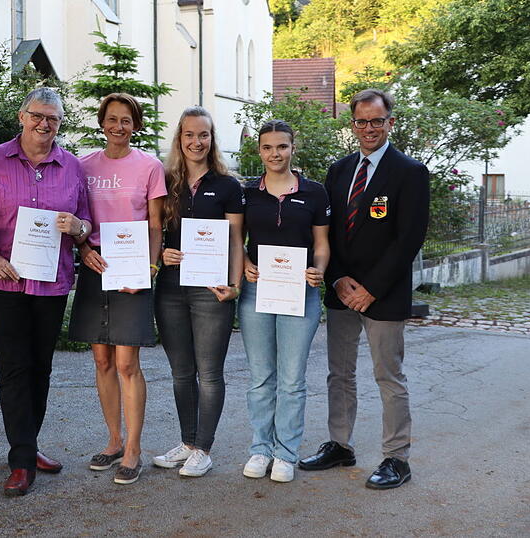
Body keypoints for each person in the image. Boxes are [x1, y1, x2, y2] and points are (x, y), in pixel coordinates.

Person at [298, 89, 429, 490]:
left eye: (377, 121)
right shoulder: (338, 172)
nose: (369, 128)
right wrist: (337, 278)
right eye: (361, 121)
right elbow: (327, 233)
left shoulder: (410, 172)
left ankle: (396, 458)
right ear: (351, 124)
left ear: (390, 122)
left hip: (383, 294)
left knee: (388, 376)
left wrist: (370, 288)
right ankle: (340, 445)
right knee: (339, 373)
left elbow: (408, 239)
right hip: (341, 289)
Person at [0, 88, 92, 496]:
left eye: (54, 119)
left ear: (61, 123)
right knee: (13, 369)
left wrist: (76, 228)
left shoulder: (72, 166)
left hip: (52, 282)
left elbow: (86, 225)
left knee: (41, 368)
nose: (45, 125)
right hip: (6, 281)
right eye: (38, 116)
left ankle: (29, 443)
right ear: (22, 117)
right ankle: (21, 460)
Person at [68, 93, 166, 485]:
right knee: (103, 361)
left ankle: (134, 449)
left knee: (127, 364)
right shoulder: (83, 165)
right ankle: (113, 441)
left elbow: (156, 225)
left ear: (135, 125)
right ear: (102, 122)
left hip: (133, 272)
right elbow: (78, 219)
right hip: (96, 268)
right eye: (112, 119)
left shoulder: (150, 166)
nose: (118, 126)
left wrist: (151, 265)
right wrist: (84, 248)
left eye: (126, 120)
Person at [151, 107, 244, 478]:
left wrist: (234, 285)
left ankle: (203, 449)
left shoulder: (227, 185)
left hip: (211, 289)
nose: (196, 142)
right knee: (180, 372)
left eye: (203, 135)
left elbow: (238, 240)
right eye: (189, 135)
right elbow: (155, 230)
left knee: (209, 373)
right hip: (171, 288)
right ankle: (187, 443)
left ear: (212, 139)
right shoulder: (166, 179)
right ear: (180, 138)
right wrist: (161, 254)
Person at [237, 120, 330, 483]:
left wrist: (318, 270)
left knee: (292, 379)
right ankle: (260, 449)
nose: (275, 154)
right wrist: (244, 265)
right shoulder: (246, 194)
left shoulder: (315, 193)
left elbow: (321, 245)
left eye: (282, 146)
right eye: (267, 147)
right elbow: (237, 240)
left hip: (300, 291)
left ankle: (285, 453)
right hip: (257, 291)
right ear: (259, 151)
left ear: (293, 148)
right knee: (261, 377)